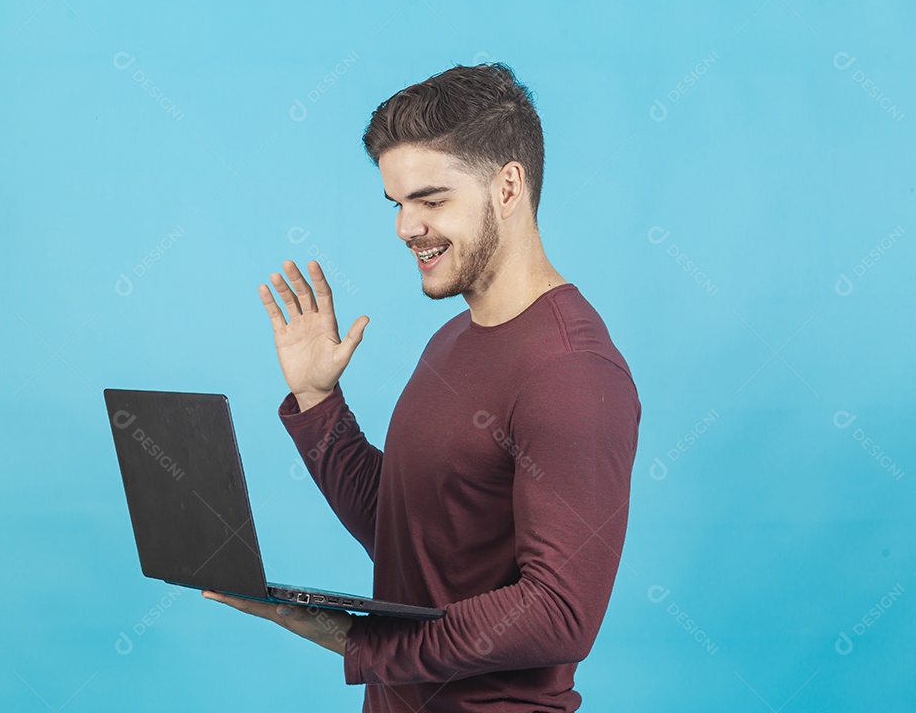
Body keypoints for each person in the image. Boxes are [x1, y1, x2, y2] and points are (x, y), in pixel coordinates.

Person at [203, 62, 642, 712]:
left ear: (508, 187)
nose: (406, 227)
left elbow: (559, 614)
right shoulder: (454, 337)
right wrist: (319, 402)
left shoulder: (572, 371)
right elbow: (408, 530)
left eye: (432, 201)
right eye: (398, 204)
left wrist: (359, 641)